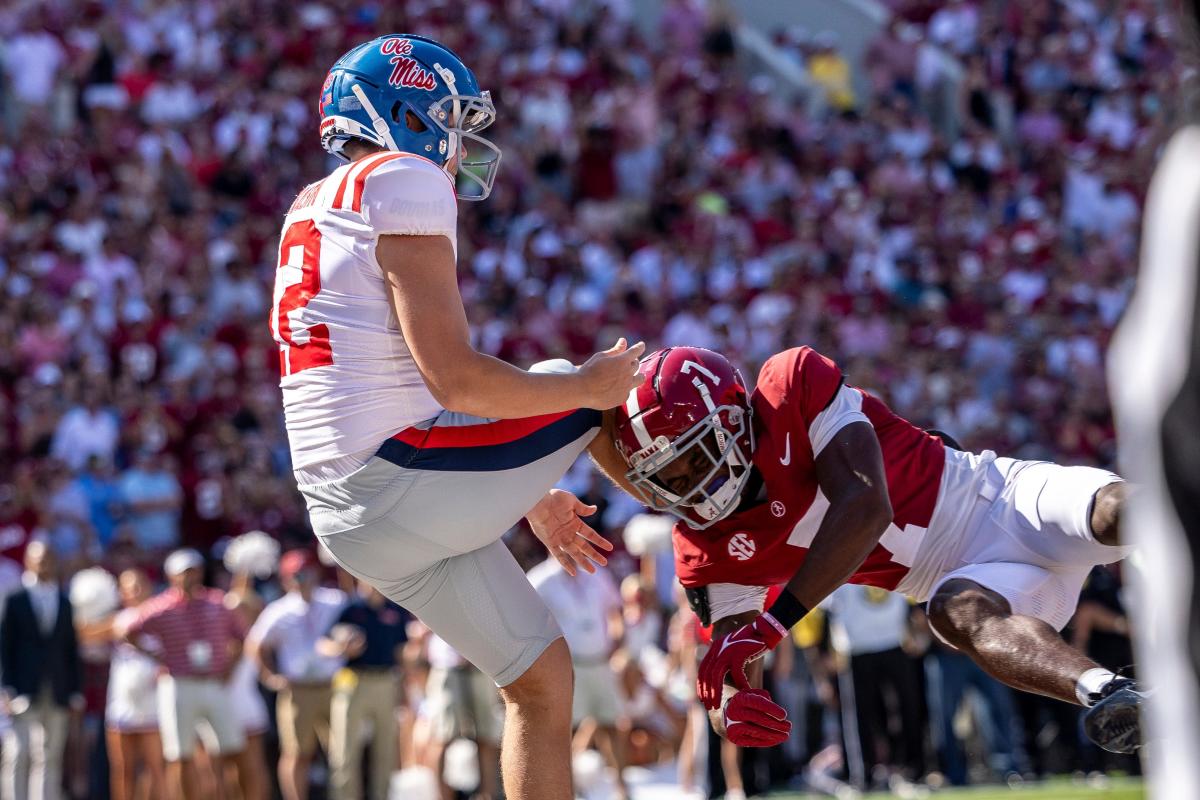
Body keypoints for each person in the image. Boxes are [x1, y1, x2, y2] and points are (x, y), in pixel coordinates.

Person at [269, 33, 641, 800]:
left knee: (539, 677)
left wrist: (530, 493)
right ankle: (735, 565)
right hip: (397, 480)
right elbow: (458, 379)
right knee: (610, 384)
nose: (461, 138)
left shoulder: (313, 202)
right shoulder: (402, 177)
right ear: (400, 111)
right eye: (448, 115)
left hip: (356, 513)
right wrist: (587, 389)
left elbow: (411, 387)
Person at [587, 345, 1142, 754]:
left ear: (731, 419)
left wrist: (774, 623)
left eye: (697, 456)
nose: (691, 485)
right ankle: (1113, 695)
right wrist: (731, 707)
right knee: (953, 611)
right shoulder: (707, 550)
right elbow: (736, 664)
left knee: (1116, 512)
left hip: (997, 497)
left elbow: (864, 507)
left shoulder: (790, 387)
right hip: (972, 584)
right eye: (670, 476)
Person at [118, 548, 252, 800]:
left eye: (194, 571)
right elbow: (128, 631)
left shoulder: (218, 602)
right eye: (184, 573)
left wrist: (229, 669)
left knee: (231, 750)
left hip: (214, 683)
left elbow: (242, 637)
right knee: (180, 754)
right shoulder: (160, 607)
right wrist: (156, 656)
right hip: (179, 685)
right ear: (172, 576)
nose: (190, 577)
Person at [246, 549, 345, 800]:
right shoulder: (279, 610)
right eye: (296, 576)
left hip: (334, 685)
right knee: (296, 753)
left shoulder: (335, 600)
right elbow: (255, 645)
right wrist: (270, 676)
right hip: (299, 689)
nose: (302, 580)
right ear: (286, 579)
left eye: (306, 573)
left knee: (342, 751)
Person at [528, 556, 628, 800]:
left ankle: (622, 789)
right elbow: (526, 621)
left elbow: (615, 608)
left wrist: (618, 639)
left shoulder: (595, 572)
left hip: (600, 661)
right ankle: (566, 791)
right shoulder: (540, 579)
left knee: (611, 725)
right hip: (567, 667)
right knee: (564, 731)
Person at [0, 540, 83, 800]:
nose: (44, 563)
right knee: (18, 752)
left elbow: (71, 649)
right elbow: (5, 647)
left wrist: (75, 690)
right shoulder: (15, 599)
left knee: (49, 755)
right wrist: (6, 689)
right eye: (39, 558)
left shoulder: (64, 600)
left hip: (56, 689)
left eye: (48, 558)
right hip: (23, 689)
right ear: (28, 561)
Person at [318, 579, 407, 800]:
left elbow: (401, 652)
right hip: (354, 680)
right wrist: (341, 648)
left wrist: (404, 687)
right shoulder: (351, 608)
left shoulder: (393, 610)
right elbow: (322, 644)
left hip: (386, 681)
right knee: (345, 749)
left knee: (385, 750)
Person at [101, 569, 165, 800]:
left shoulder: (162, 617)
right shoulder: (116, 620)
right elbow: (85, 633)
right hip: (122, 704)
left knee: (156, 768)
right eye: (129, 587)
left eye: (140, 585)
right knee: (123, 769)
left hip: (153, 703)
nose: (135, 591)